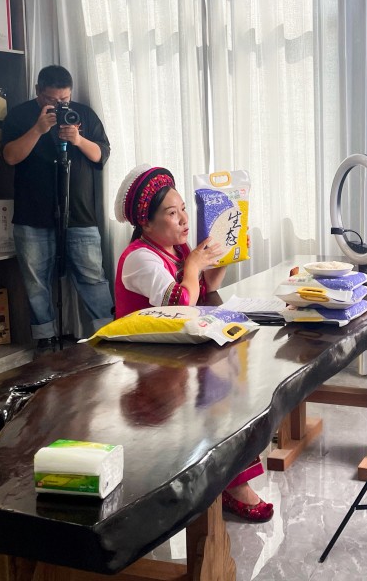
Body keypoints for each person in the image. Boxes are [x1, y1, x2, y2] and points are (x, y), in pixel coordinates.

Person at [113, 164, 274, 523]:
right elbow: (178, 305)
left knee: (232, 382)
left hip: (174, 351)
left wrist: (228, 255)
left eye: (183, 208)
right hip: (145, 361)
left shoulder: (175, 247)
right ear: (146, 225)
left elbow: (205, 288)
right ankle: (231, 485)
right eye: (172, 213)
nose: (184, 219)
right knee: (219, 394)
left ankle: (229, 478)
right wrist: (194, 264)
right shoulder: (140, 257)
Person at [2, 65, 114, 349]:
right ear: (39, 93)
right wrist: (39, 129)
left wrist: (77, 139)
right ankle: (46, 341)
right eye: (52, 100)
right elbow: (10, 157)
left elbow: (102, 154)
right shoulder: (20, 115)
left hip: (79, 215)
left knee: (93, 279)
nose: (59, 105)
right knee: (36, 283)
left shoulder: (83, 114)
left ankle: (112, 336)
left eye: (64, 99)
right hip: (32, 215)